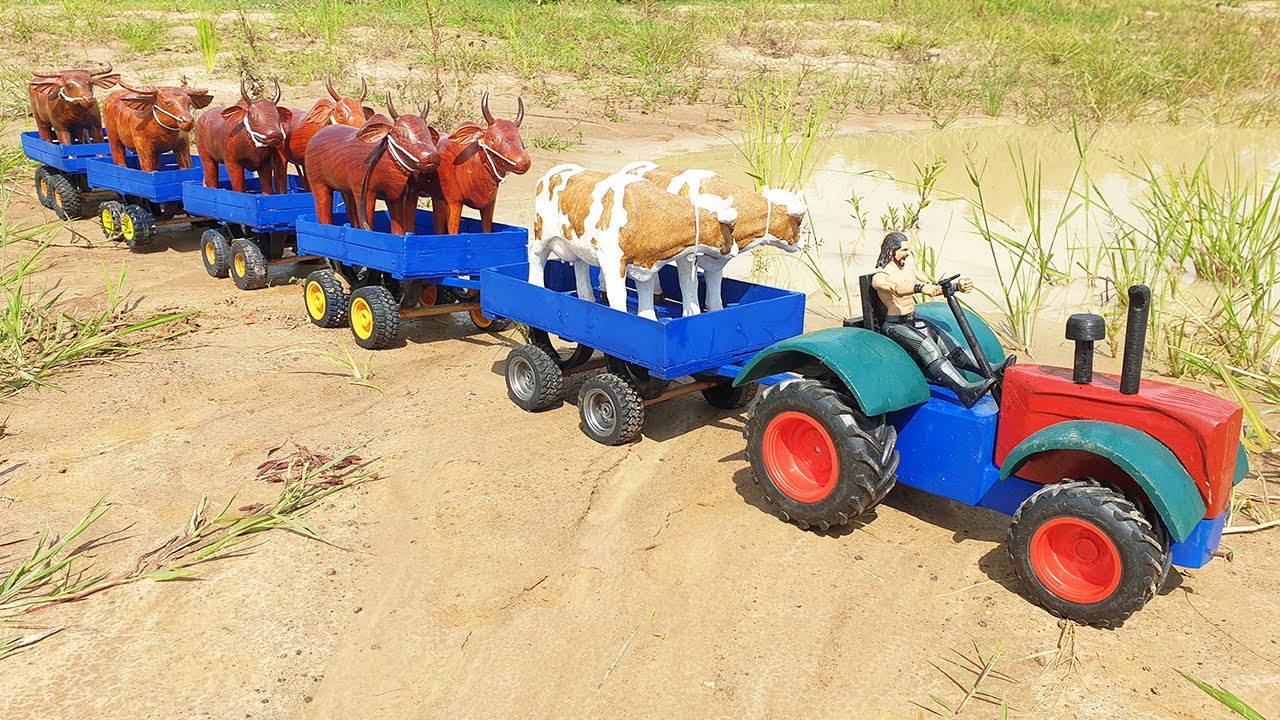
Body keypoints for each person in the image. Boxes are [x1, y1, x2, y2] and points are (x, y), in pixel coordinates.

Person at [869, 232, 1008, 408]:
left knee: (948, 343)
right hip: (895, 325)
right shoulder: (880, 277)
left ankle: (992, 369)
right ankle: (964, 390)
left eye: (909, 250)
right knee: (929, 348)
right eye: (904, 250)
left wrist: (956, 287)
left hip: (912, 319)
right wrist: (920, 288)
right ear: (891, 251)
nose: (908, 254)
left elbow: (934, 289)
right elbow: (897, 289)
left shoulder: (910, 269)